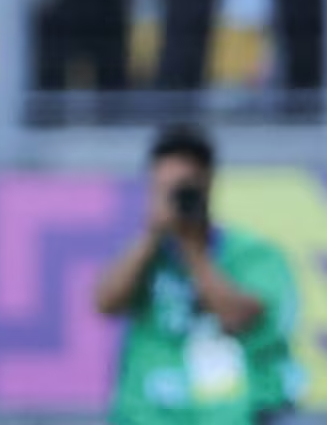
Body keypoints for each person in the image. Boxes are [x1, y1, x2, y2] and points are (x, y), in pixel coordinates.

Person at [94, 125, 299, 425]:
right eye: (162, 189)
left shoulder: (252, 253)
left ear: (207, 183)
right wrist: (151, 236)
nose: (172, 199)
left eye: (182, 189)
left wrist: (192, 248)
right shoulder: (145, 257)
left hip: (230, 416)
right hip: (147, 416)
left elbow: (236, 317)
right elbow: (104, 303)